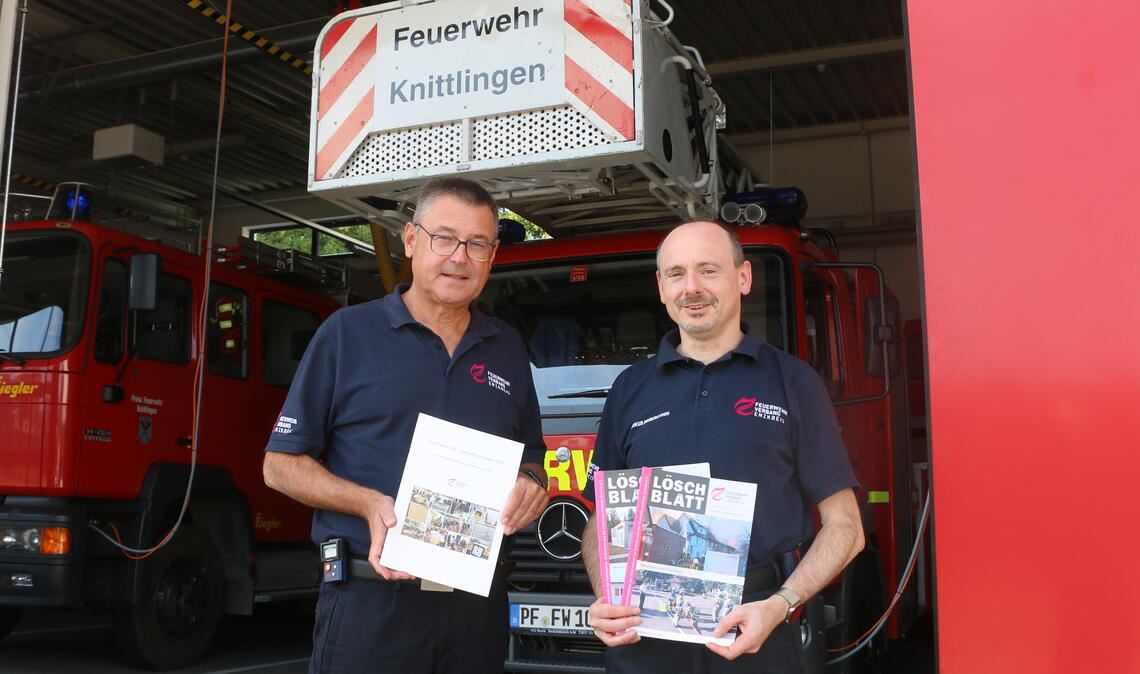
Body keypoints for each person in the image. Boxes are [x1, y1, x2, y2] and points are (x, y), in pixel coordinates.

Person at [262, 177, 550, 674]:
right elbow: (279, 465)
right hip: (370, 603)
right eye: (444, 238)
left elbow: (533, 456)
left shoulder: (507, 348)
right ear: (411, 240)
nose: (459, 257)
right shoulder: (347, 334)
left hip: (474, 609)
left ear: (492, 254)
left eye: (477, 244)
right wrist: (368, 503)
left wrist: (532, 483)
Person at [581, 221, 865, 673]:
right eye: (675, 273)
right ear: (660, 287)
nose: (691, 288)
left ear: (743, 278)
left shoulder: (794, 382)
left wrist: (780, 605)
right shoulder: (628, 389)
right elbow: (600, 518)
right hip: (646, 628)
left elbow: (846, 527)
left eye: (708, 270)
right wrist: (607, 595)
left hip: (759, 625)